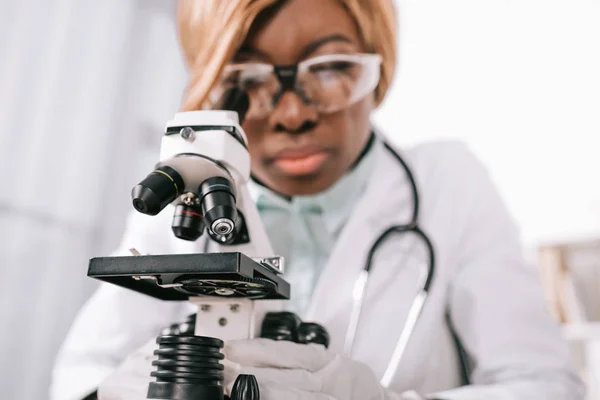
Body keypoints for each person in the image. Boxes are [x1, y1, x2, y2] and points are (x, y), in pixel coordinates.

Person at [50, 0, 586, 399]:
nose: (292, 115)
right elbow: (79, 373)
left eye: (329, 68)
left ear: (376, 71)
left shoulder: (448, 181)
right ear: (214, 92)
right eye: (248, 81)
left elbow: (544, 384)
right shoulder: (190, 194)